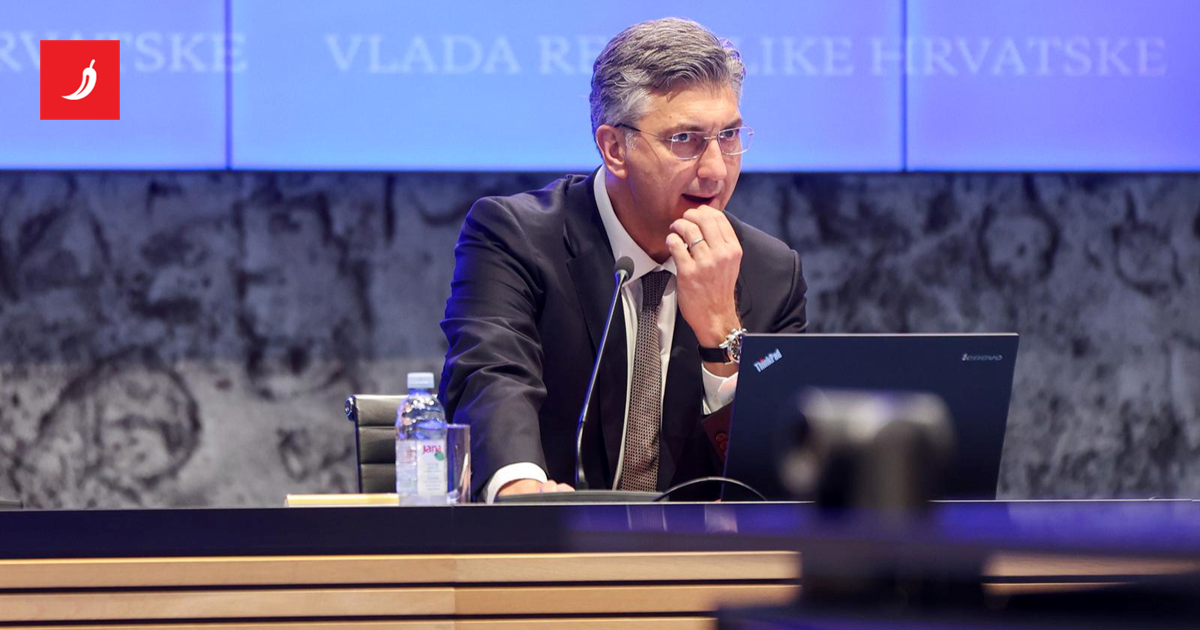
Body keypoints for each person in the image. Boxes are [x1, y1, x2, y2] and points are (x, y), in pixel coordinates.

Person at [439, 17, 808, 503]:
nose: (716, 169)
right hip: (550, 538)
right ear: (614, 148)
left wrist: (722, 332)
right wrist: (522, 490)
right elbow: (491, 374)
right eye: (685, 139)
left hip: (699, 548)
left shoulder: (770, 273)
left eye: (729, 136)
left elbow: (781, 469)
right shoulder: (516, 236)